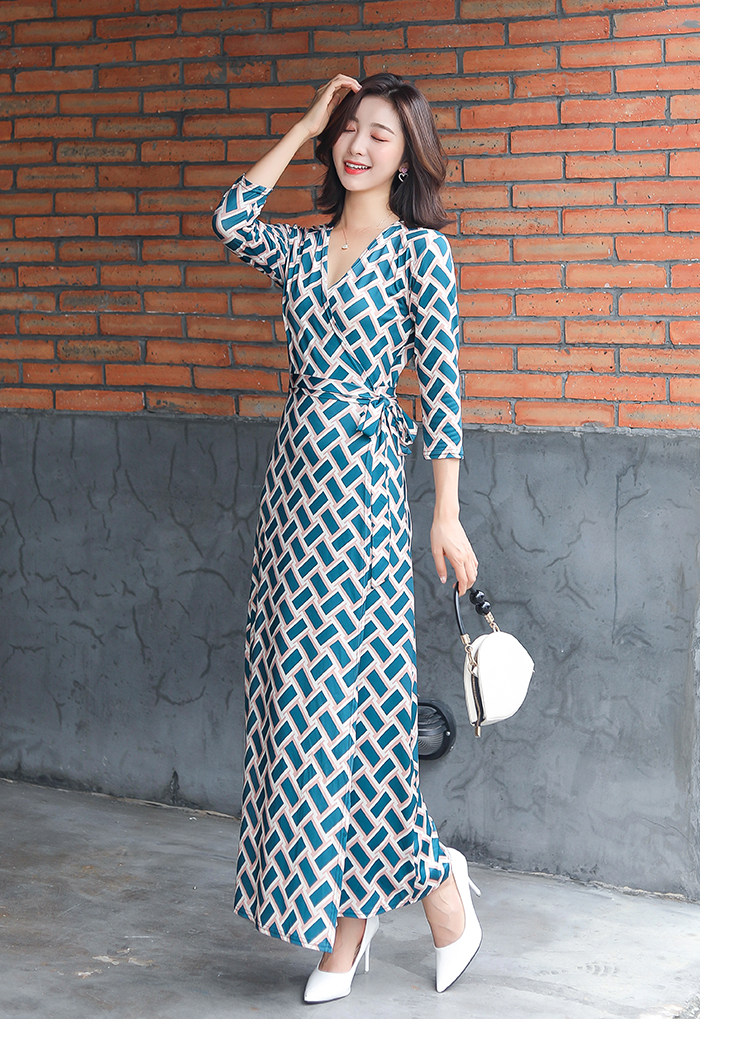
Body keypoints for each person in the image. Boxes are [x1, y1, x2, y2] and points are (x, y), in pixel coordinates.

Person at [212, 71, 481, 1004]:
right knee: (301, 712)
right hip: (293, 492)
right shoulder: (300, 248)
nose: (358, 146)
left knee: (350, 713)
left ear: (406, 157)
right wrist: (301, 124)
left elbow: (442, 388)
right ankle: (379, 912)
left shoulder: (420, 255)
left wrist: (445, 512)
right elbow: (231, 218)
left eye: (380, 134)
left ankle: (412, 900)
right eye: (349, 130)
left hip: (362, 497)